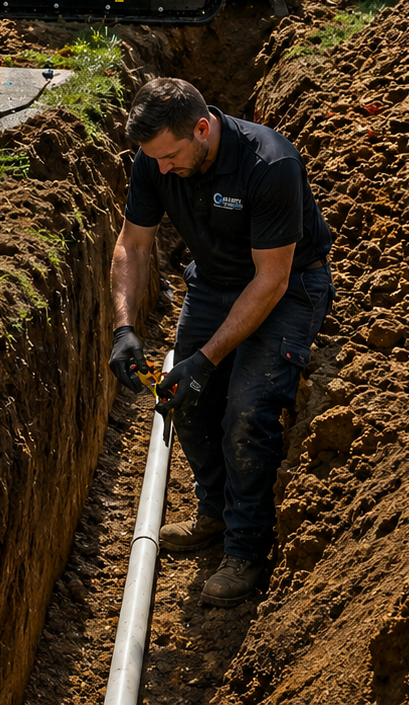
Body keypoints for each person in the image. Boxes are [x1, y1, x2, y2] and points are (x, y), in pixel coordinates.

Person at [109, 77, 333, 607]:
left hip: (286, 287)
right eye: (153, 159)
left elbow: (271, 279)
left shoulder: (268, 164)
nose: (161, 169)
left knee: (247, 412)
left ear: (203, 129)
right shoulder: (154, 158)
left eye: (169, 156)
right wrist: (123, 329)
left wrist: (207, 360)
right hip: (213, 281)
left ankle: (246, 550)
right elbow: (133, 245)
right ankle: (214, 511)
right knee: (181, 399)